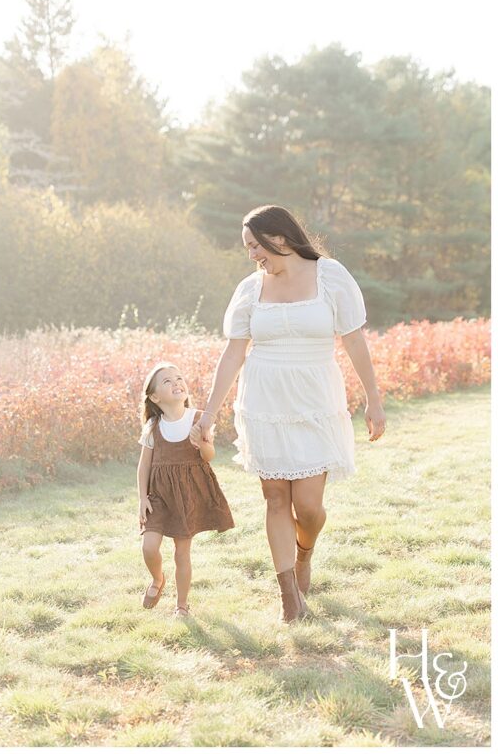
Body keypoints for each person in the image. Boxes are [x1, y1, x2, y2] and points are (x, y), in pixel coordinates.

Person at [194, 205, 385, 623]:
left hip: (315, 399)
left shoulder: (330, 276)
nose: (251, 256)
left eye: (253, 246)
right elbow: (233, 353)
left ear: (278, 238)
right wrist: (209, 412)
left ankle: (304, 554)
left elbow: (353, 340)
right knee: (276, 496)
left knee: (310, 506)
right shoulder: (249, 289)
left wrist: (373, 397)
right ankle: (289, 598)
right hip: (264, 399)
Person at [137, 362, 235, 618]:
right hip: (158, 495)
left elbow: (209, 456)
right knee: (149, 546)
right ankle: (158, 580)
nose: (176, 382)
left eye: (179, 377)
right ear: (155, 397)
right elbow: (144, 465)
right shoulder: (153, 427)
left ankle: (181, 605)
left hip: (187, 494)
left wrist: (201, 444)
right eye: (167, 381)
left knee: (182, 552)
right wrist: (141, 498)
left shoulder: (199, 419)